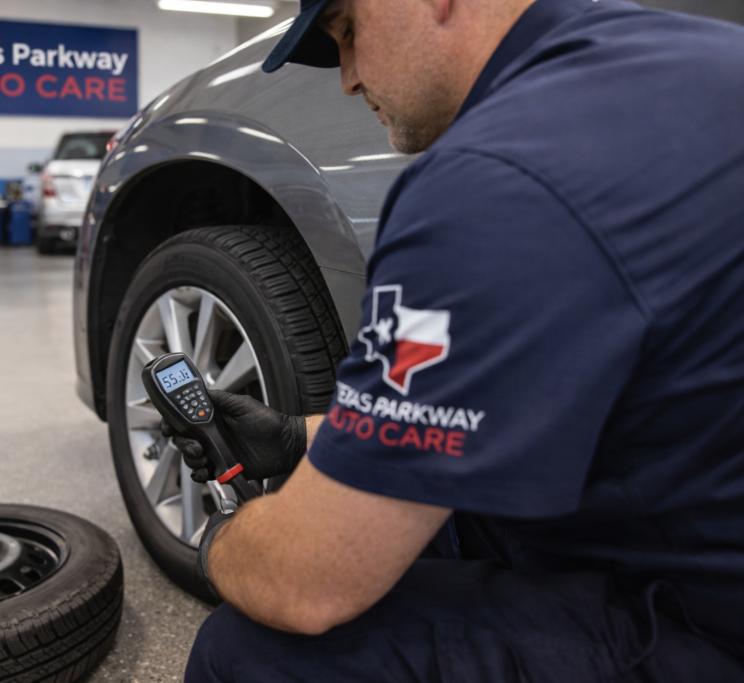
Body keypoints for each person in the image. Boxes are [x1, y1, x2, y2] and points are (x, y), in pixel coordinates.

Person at [164, 0, 744, 680]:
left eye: (348, 33)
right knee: (431, 524)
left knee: (249, 650)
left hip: (709, 632)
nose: (347, 78)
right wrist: (302, 436)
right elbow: (539, 374)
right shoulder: (691, 59)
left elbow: (307, 585)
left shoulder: (495, 179)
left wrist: (224, 542)